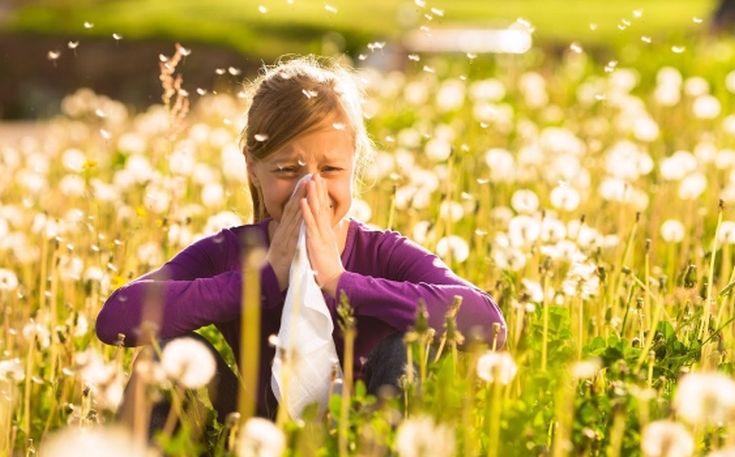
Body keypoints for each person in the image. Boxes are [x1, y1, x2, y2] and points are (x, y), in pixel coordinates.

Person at [96, 56, 507, 423]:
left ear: (353, 168)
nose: (310, 189)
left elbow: (488, 324)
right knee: (163, 352)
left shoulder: (381, 252)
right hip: (253, 430)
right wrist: (259, 280)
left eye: (329, 169)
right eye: (288, 170)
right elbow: (116, 317)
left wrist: (340, 283)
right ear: (253, 170)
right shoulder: (232, 252)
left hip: (367, 429)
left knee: (406, 348)